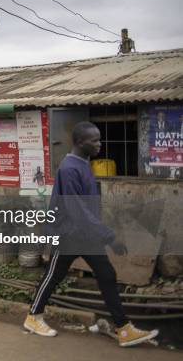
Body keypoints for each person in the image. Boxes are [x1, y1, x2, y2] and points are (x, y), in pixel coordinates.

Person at [23, 121, 158, 347]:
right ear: (80, 142)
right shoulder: (69, 168)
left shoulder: (83, 163)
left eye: (99, 139)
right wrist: (109, 236)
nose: (100, 144)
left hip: (85, 235)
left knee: (106, 274)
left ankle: (124, 329)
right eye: (94, 140)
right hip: (67, 233)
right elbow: (77, 210)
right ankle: (33, 318)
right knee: (53, 276)